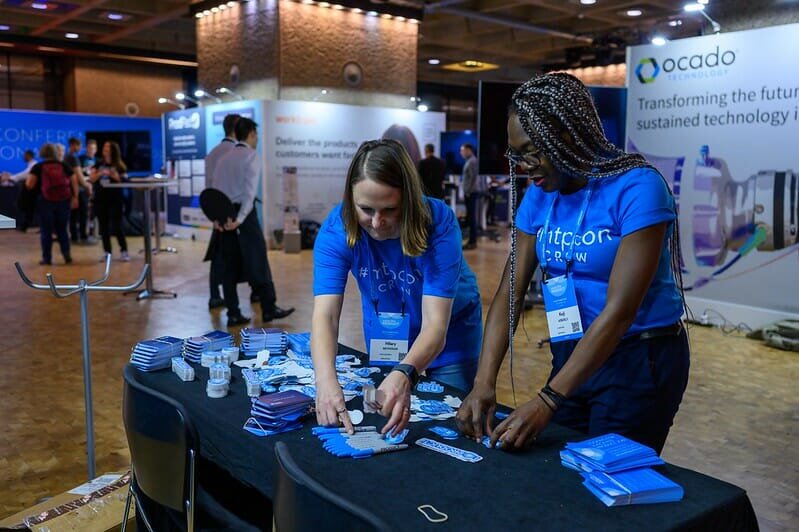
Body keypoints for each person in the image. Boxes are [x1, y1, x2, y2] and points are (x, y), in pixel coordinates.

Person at [456, 73, 689, 455]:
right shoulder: (539, 194)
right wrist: (483, 381)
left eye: (532, 151)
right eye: (516, 154)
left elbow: (620, 311)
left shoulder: (637, 187)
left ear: (568, 134)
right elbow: (509, 293)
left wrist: (548, 401)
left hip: (636, 360)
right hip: (573, 352)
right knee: (559, 476)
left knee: (605, 482)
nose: (524, 165)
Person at [311, 139, 483, 437]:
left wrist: (405, 372)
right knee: (387, 420)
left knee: (447, 424)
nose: (377, 223)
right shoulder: (336, 230)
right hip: (389, 330)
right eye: (366, 209)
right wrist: (325, 382)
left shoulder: (438, 223)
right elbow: (325, 316)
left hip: (451, 334)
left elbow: (435, 327)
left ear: (409, 200)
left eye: (390, 209)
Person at [212, 117, 295, 326]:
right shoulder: (251, 156)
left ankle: (233, 313)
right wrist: (240, 220)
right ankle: (269, 308)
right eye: (256, 135)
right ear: (250, 134)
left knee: (230, 266)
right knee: (258, 260)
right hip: (243, 216)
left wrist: (218, 218)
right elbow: (249, 195)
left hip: (224, 215)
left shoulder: (223, 159)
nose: (257, 139)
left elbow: (215, 191)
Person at [203, 113, 258, 310]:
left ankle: (216, 296)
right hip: (238, 211)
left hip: (219, 211)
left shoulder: (214, 153)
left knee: (222, 256)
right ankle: (255, 294)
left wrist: (214, 215)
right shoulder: (238, 154)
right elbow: (248, 191)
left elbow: (209, 186)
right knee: (250, 253)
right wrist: (241, 216)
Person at [25, 143, 78, 265]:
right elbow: (73, 180)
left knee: (46, 231)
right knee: (62, 229)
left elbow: (30, 184)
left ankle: (47, 258)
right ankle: (66, 255)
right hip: (64, 201)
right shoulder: (63, 165)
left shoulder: (38, 167)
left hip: (46, 202)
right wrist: (75, 197)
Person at [90, 141, 129, 261]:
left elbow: (122, 180)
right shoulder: (98, 163)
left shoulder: (120, 165)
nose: (105, 149)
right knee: (103, 227)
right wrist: (100, 173)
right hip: (101, 199)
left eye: (108, 147)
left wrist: (113, 174)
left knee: (117, 226)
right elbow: (92, 178)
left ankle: (124, 250)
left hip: (115, 199)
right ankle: (107, 252)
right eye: (104, 147)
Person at [64, 137, 92, 245]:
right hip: (78, 190)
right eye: (79, 145)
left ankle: (75, 236)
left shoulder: (66, 157)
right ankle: (83, 236)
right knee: (83, 214)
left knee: (74, 215)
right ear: (74, 145)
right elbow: (78, 176)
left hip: (70, 190)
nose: (80, 148)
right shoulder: (73, 158)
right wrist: (87, 186)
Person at [2, 150, 37, 232]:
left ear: (28, 155)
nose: (23, 157)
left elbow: (25, 174)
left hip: (32, 190)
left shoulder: (33, 165)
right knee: (28, 208)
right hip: (30, 190)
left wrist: (11, 178)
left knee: (28, 208)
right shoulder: (31, 165)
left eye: (25, 155)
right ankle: (24, 226)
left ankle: (25, 226)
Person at [461, 143, 484, 250]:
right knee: (470, 217)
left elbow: (474, 178)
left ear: (469, 150)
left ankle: (472, 241)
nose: (461, 153)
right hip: (469, 192)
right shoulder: (469, 161)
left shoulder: (473, 161)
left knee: (472, 218)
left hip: (471, 193)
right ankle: (470, 240)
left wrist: (469, 191)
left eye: (463, 150)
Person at [80, 139, 98, 242]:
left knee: (94, 212)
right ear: (86, 148)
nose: (91, 150)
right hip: (83, 187)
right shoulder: (80, 159)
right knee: (83, 211)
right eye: (89, 148)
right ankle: (83, 233)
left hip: (96, 188)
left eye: (93, 148)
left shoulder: (99, 161)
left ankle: (93, 231)